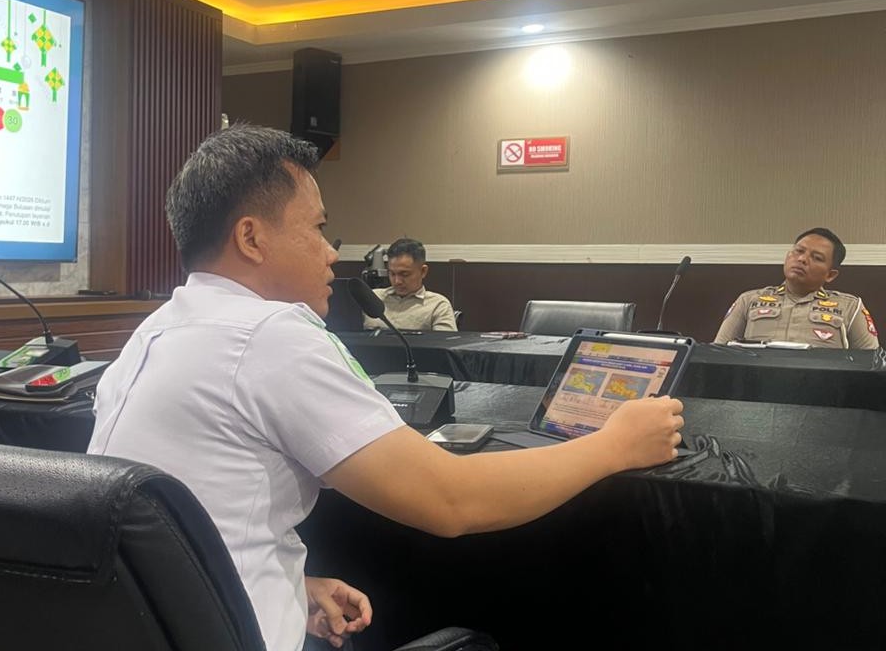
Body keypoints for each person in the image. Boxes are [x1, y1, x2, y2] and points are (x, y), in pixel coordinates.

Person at [88, 124, 684, 651]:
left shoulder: (153, 333)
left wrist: (289, 583)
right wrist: (615, 445)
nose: (331, 253)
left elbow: (173, 527)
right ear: (251, 238)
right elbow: (451, 500)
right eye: (318, 229)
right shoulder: (270, 333)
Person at [713, 227, 879, 349]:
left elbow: (873, 364)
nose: (802, 259)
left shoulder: (850, 307)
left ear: (830, 275)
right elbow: (716, 354)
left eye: (817, 258)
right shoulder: (749, 300)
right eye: (798, 251)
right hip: (755, 383)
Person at [362, 238, 457, 332]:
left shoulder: (438, 305)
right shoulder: (372, 298)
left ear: (423, 271)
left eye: (404, 274)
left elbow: (445, 341)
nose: (397, 281)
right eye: (392, 274)